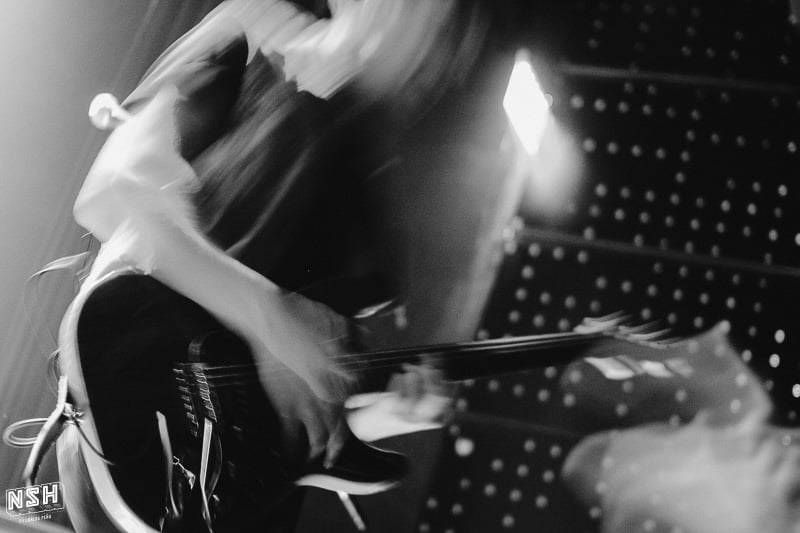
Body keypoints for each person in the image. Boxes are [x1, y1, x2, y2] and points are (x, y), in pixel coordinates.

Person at [64, 0, 488, 530]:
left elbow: (302, 409)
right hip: (112, 441)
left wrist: (390, 414)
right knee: (22, 508)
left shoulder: (371, 216)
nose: (434, 32)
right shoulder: (255, 34)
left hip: (231, 509)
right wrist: (270, 320)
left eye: (446, 26)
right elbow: (113, 193)